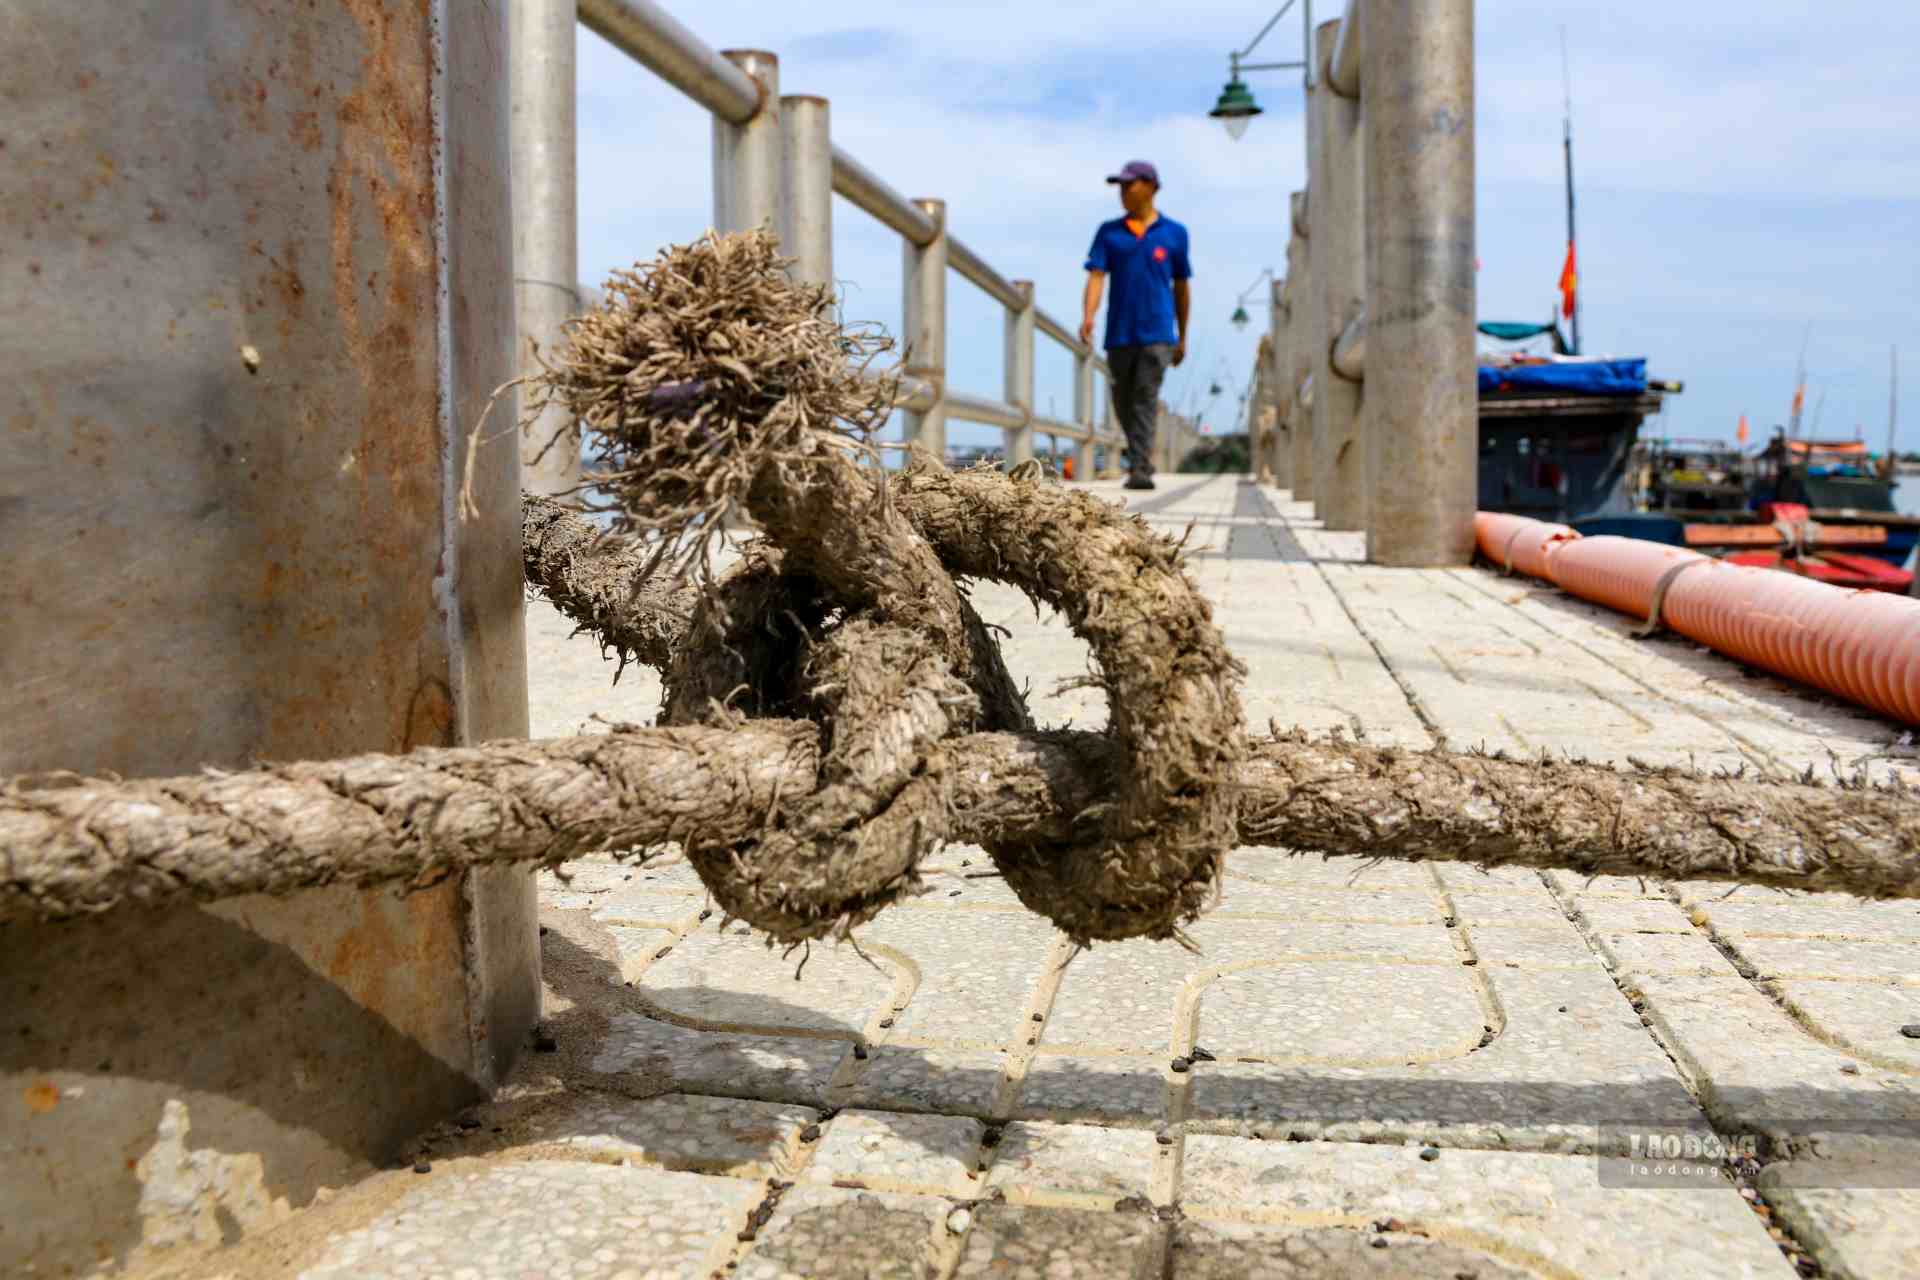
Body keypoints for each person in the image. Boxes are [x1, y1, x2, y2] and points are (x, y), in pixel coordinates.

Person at [1078, 160, 1191, 491]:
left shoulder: (1174, 234)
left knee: (1145, 396)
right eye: (1120, 186)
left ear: (1151, 187)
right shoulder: (1109, 232)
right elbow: (1096, 276)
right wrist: (1088, 315)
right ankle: (1140, 456)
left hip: (1158, 333)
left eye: (1130, 185)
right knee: (1122, 401)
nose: (1124, 192)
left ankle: (1141, 468)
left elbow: (1182, 288)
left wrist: (1182, 336)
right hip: (1119, 333)